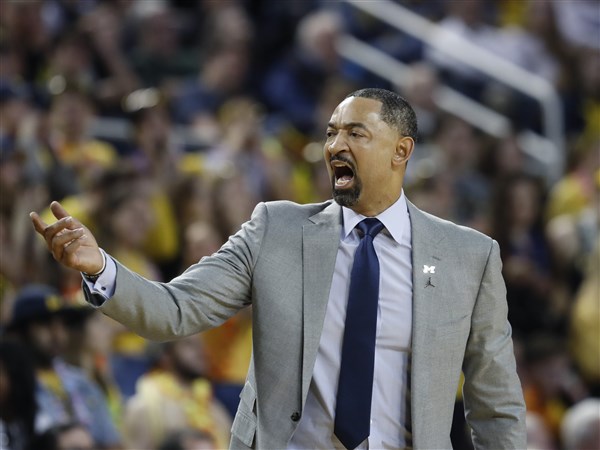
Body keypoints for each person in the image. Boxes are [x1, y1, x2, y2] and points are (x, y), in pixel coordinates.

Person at [31, 88, 526, 449]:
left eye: (356, 133)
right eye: (331, 133)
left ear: (402, 151)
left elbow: (496, 405)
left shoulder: (468, 256)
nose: (335, 147)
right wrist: (100, 267)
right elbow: (176, 309)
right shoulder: (276, 230)